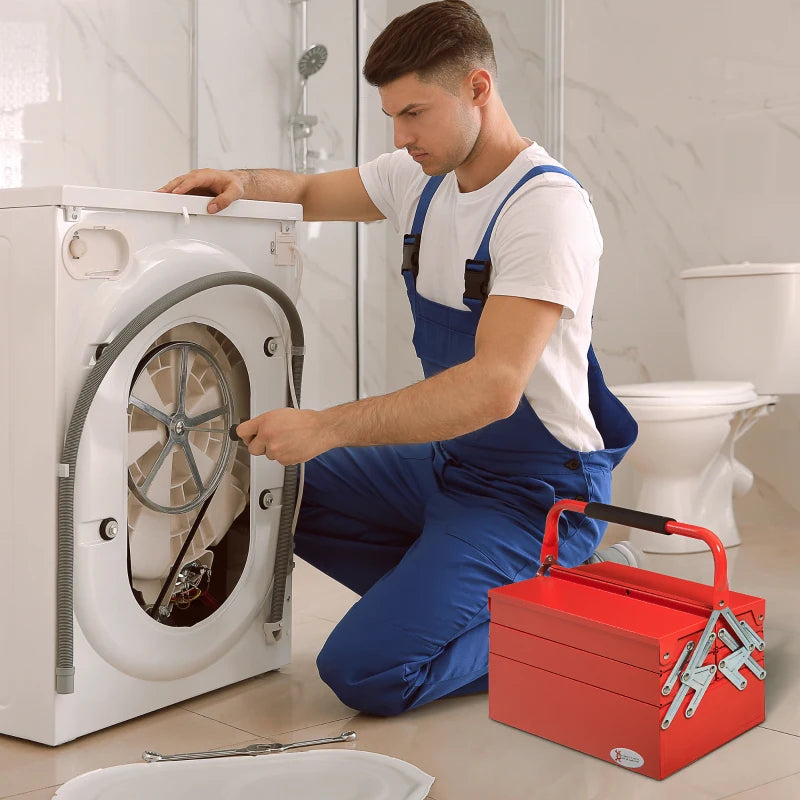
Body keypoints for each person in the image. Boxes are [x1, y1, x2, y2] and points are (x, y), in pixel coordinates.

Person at [158, 0, 638, 717]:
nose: (400, 135)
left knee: (367, 672)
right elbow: (312, 191)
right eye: (391, 115)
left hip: (531, 495)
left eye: (415, 112)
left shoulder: (546, 211)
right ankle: (473, 597)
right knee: (280, 485)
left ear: (478, 88)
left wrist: (326, 424)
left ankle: (564, 612)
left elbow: (494, 389)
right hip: (450, 465)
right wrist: (239, 182)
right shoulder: (424, 176)